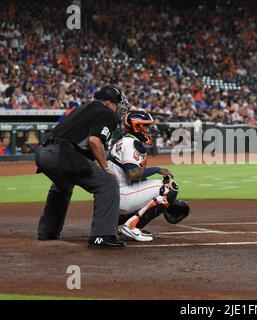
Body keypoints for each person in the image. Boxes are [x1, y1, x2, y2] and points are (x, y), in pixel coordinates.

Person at [35, 85, 128, 249]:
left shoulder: (82, 109)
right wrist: (105, 168)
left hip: (44, 153)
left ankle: (48, 231)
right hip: (62, 155)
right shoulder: (106, 113)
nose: (118, 108)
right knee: (107, 183)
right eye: (117, 104)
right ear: (108, 103)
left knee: (63, 185)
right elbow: (94, 141)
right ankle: (102, 236)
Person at [107, 110, 190, 241]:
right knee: (169, 187)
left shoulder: (123, 141)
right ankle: (132, 226)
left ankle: (121, 225)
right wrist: (158, 169)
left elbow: (135, 178)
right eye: (146, 125)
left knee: (153, 189)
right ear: (136, 126)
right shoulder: (131, 144)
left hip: (113, 196)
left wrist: (168, 201)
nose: (149, 129)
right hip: (121, 196)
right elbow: (133, 174)